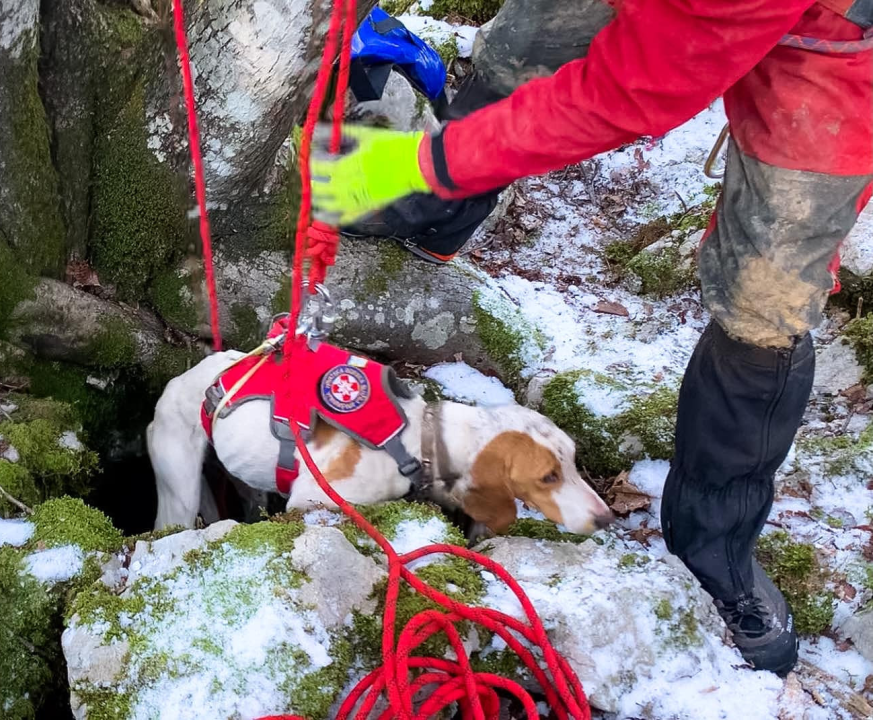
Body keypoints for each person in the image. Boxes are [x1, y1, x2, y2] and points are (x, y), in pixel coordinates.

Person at [311, 0, 873, 677]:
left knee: (768, 298)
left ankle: (714, 548)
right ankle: (437, 215)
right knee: (523, 51)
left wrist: (425, 161)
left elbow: (626, 93)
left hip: (832, 46)